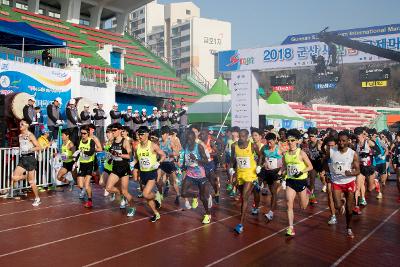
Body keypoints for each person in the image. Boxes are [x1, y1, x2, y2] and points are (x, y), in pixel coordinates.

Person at [326, 131, 360, 238]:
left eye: (343, 141)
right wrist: (327, 172)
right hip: (336, 182)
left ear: (348, 141)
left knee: (350, 209)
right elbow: (325, 161)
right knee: (337, 206)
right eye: (339, 140)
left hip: (349, 181)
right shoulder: (331, 151)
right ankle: (342, 201)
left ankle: (349, 228)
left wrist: (351, 173)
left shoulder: (352, 153)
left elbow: (358, 170)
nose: (340, 143)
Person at [283, 129, 313, 237]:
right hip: (290, 181)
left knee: (303, 206)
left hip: (301, 181)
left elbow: (310, 166)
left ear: (296, 141)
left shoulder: (301, 153)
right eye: (288, 140)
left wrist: (301, 172)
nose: (290, 142)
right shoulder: (285, 154)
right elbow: (284, 166)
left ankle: (308, 194)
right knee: (288, 203)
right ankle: (291, 228)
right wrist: (281, 173)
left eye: (292, 140)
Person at [230, 129, 260, 234]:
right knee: (245, 196)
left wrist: (259, 166)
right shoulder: (234, 145)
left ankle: (240, 224)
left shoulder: (252, 146)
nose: (241, 138)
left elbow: (261, 156)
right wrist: (231, 168)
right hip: (240, 174)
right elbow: (232, 158)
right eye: (240, 136)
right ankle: (255, 186)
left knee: (244, 197)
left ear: (247, 136)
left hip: (250, 174)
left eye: (243, 136)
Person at [134, 126, 166, 222]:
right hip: (143, 172)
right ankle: (156, 213)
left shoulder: (152, 145)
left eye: (142, 134)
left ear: (147, 134)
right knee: (147, 198)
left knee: (145, 194)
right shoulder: (137, 146)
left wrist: (158, 162)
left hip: (152, 172)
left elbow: (163, 155)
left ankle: (156, 196)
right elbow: (137, 158)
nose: (139, 136)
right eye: (138, 134)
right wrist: (133, 163)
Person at [181, 130, 212, 224]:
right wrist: (183, 166)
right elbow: (186, 159)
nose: (189, 142)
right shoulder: (186, 146)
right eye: (188, 140)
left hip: (201, 175)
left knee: (203, 198)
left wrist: (196, 159)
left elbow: (207, 161)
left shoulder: (199, 147)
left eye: (191, 140)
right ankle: (195, 196)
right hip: (190, 174)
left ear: (194, 139)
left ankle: (207, 214)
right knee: (183, 193)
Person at [105, 123, 136, 217]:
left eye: (114, 130)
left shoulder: (125, 141)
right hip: (115, 167)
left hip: (124, 168)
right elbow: (111, 153)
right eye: (112, 131)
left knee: (125, 191)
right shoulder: (112, 141)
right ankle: (121, 194)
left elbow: (130, 156)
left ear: (120, 131)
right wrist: (110, 157)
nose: (113, 132)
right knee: (108, 188)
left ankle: (132, 207)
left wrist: (119, 155)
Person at [11, 120, 42, 206]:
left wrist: (29, 149)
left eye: (22, 124)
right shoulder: (20, 135)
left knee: (31, 182)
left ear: (27, 125)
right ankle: (26, 176)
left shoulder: (30, 135)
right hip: (22, 159)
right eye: (20, 124)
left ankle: (37, 198)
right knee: (14, 178)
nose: (20, 125)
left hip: (30, 159)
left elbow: (39, 147)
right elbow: (21, 146)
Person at [259, 132, 284, 221]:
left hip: (276, 172)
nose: (269, 144)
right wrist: (260, 165)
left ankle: (271, 212)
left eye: (271, 142)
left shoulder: (279, 149)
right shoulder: (264, 148)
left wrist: (282, 172)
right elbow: (260, 156)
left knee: (273, 191)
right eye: (267, 142)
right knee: (270, 190)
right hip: (267, 172)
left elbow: (285, 160)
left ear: (275, 140)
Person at [75, 126, 96, 208]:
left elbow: (91, 152)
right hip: (82, 165)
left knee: (86, 185)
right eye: (81, 133)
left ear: (88, 133)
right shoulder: (79, 141)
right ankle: (86, 190)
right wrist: (75, 162)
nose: (82, 135)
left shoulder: (91, 141)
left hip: (89, 164)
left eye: (84, 133)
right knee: (80, 185)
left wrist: (83, 151)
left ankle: (90, 200)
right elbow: (77, 152)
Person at [159, 126, 180, 204]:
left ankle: (178, 195)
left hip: (169, 164)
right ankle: (159, 195)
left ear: (167, 134)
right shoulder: (160, 142)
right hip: (162, 164)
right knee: (158, 181)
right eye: (161, 134)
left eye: (163, 134)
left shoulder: (170, 142)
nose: (161, 135)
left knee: (173, 182)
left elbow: (177, 153)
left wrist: (168, 154)